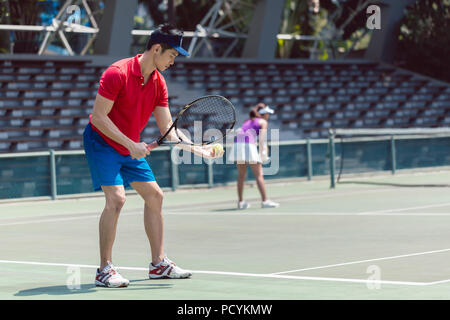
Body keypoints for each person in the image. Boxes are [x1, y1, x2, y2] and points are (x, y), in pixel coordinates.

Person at [83, 24, 222, 288]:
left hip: (128, 145)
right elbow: (99, 118)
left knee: (155, 196)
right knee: (117, 198)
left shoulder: (159, 83)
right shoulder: (117, 73)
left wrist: (198, 149)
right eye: (172, 55)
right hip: (101, 141)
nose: (173, 61)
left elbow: (169, 132)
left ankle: (158, 264)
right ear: (156, 49)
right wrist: (129, 143)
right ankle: (104, 269)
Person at [230, 103, 280, 210]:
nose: (268, 116)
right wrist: (264, 152)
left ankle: (240, 202)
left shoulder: (247, 121)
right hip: (248, 145)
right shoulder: (263, 122)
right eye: (267, 113)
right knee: (259, 175)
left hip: (237, 145)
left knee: (241, 175)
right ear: (264, 114)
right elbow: (262, 140)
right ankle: (265, 201)